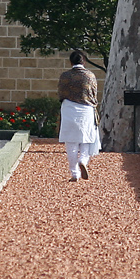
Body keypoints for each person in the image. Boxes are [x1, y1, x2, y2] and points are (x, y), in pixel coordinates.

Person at [58, 49, 99, 181]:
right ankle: (83, 160)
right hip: (86, 110)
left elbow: (61, 93)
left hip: (69, 109)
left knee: (71, 142)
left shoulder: (65, 76)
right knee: (86, 139)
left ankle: (75, 174)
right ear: (84, 61)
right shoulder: (90, 76)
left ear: (71, 62)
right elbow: (94, 94)